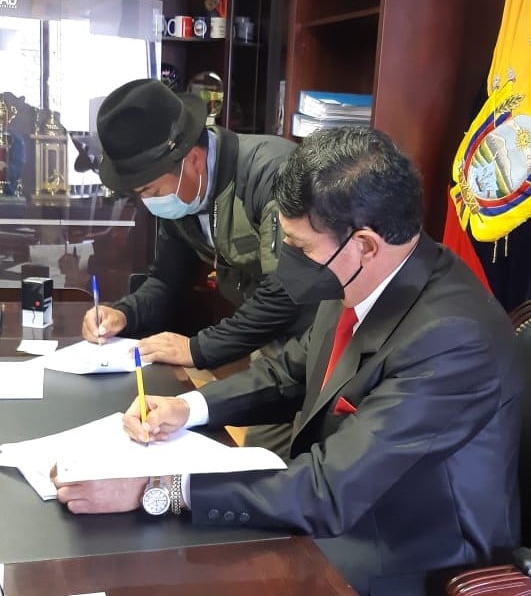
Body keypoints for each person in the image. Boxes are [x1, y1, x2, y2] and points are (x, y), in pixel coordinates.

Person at [57, 126, 522, 596]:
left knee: (192, 570)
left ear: (364, 244)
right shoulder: (355, 272)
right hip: (342, 503)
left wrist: (156, 488)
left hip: (409, 549)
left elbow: (328, 489)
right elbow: (290, 371)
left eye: (299, 248)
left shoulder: (451, 338)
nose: (287, 263)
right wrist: (188, 408)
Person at [82, 78, 316, 456]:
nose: (150, 203)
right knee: (262, 460)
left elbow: (287, 291)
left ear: (191, 158)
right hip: (272, 347)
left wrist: (197, 349)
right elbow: (167, 280)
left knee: (314, 461)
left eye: (152, 191)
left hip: (322, 337)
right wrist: (123, 314)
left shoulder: (272, 173)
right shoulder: (183, 197)